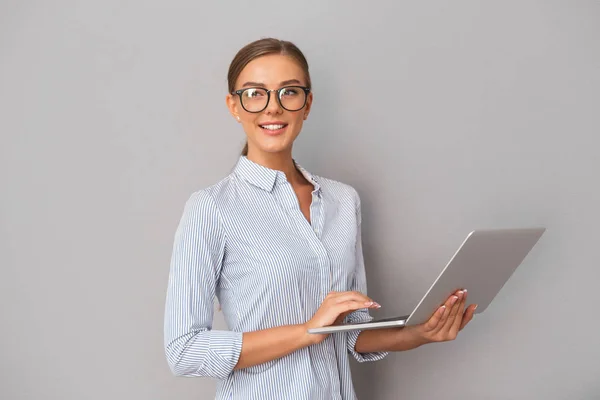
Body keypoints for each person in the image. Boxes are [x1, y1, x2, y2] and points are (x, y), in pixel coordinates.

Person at [163, 37, 477, 400]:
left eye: (289, 92)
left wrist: (420, 332)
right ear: (234, 106)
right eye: (254, 93)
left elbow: (351, 333)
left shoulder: (344, 201)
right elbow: (183, 350)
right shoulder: (211, 209)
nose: (272, 108)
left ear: (307, 104)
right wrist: (308, 330)